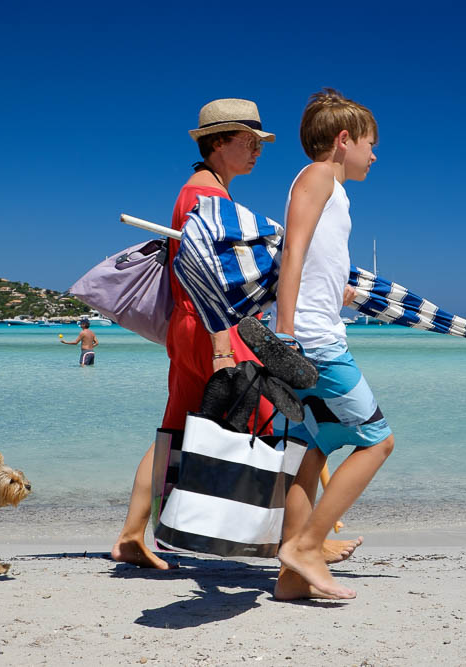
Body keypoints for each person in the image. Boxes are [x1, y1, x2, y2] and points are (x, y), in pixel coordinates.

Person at [110, 98, 279, 569]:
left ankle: (131, 536)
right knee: (271, 417)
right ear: (219, 142)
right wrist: (226, 341)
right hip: (214, 326)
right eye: (249, 141)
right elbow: (211, 275)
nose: (258, 151)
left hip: (190, 327)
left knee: (176, 430)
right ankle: (298, 541)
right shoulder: (209, 197)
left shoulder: (194, 191)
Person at [272, 89, 394, 600]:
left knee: (316, 445)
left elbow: (315, 258)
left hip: (314, 329)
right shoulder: (320, 175)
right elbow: (293, 250)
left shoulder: (333, 191)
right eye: (371, 144)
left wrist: (337, 290)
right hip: (314, 342)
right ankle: (306, 546)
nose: (375, 154)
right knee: (377, 440)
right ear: (344, 141)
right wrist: (285, 333)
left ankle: (292, 578)